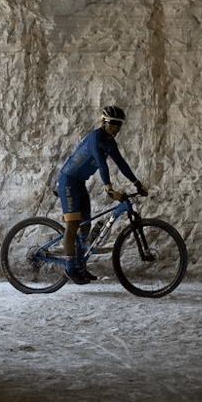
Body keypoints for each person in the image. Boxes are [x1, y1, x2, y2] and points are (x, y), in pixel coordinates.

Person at [56, 105, 145, 284]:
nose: (116, 128)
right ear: (103, 122)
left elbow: (121, 163)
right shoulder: (96, 138)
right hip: (68, 181)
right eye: (112, 124)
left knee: (85, 226)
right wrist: (109, 188)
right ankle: (69, 266)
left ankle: (81, 266)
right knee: (73, 224)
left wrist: (137, 183)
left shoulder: (110, 142)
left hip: (79, 183)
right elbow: (101, 163)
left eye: (119, 125)